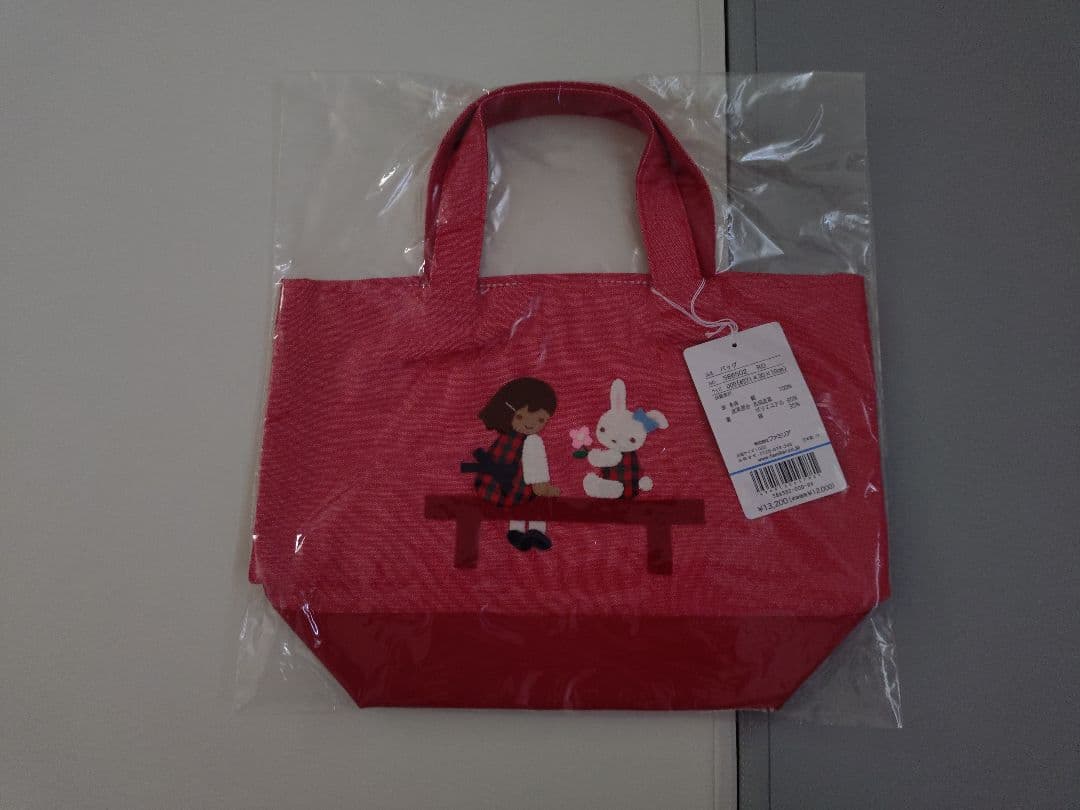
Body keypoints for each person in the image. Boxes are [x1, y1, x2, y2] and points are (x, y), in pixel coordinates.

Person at [463, 377, 560, 551]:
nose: (531, 424)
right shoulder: (533, 441)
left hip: (489, 489)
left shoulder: (504, 437)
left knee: (522, 502)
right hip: (514, 492)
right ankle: (536, 530)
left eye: (540, 420)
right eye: (522, 416)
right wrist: (544, 488)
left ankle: (516, 531)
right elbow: (535, 472)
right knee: (537, 500)